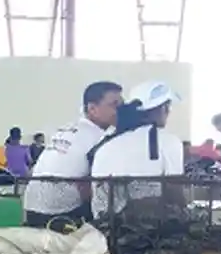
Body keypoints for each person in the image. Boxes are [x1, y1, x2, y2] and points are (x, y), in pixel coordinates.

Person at [22, 81, 122, 230]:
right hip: (60, 215)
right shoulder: (98, 137)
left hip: (31, 209)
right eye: (115, 105)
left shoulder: (66, 129)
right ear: (92, 109)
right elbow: (91, 187)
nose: (121, 110)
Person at [90, 81, 183, 218]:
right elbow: (175, 192)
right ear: (162, 108)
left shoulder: (106, 144)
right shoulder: (169, 141)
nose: (168, 111)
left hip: (107, 229)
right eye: (167, 106)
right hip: (152, 232)